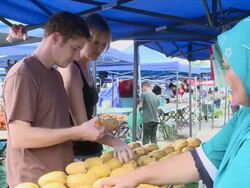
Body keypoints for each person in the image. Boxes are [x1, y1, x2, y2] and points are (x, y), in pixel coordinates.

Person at [101, 17, 250, 188]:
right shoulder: (245, 115)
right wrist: (133, 177)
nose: (226, 78)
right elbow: (201, 160)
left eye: (229, 67)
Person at [3, 12, 108, 187]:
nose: (76, 56)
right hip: (33, 180)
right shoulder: (23, 74)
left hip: (58, 178)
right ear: (56, 38)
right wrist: (77, 131)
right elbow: (19, 136)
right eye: (74, 48)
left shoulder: (55, 75)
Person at [58, 13, 134, 162]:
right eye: (95, 42)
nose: (99, 48)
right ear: (82, 39)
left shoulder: (87, 70)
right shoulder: (72, 70)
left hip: (90, 151)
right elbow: (82, 125)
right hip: (76, 155)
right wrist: (115, 141)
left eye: (104, 44)